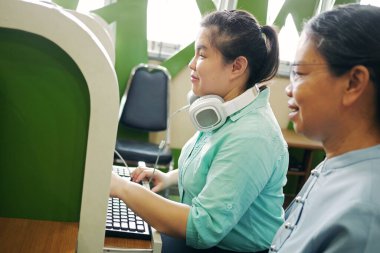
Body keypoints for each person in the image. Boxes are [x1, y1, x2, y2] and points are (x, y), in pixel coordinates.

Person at [110, 9, 289, 253]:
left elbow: (204, 228)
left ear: (237, 66)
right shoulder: (225, 111)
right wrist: (171, 177)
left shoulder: (252, 136)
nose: (191, 64)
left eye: (202, 55)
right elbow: (215, 166)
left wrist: (122, 188)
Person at [269, 4, 380, 253]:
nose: (288, 88)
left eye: (298, 73)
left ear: (353, 82)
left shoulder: (365, 214)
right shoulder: (338, 162)